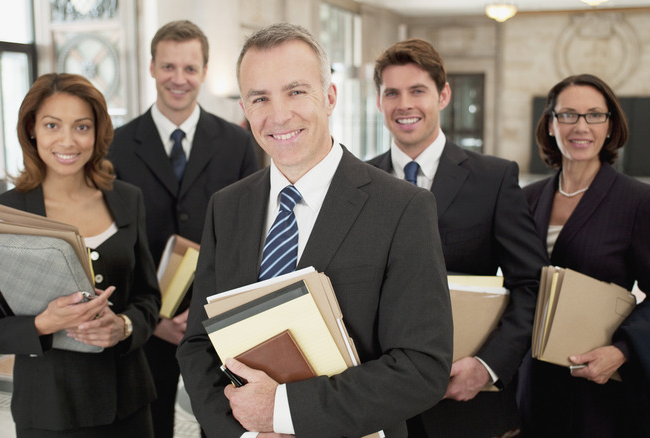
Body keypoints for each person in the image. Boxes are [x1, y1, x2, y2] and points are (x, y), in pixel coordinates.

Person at [177, 23, 453, 438]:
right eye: (259, 98)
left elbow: (422, 367)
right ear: (245, 109)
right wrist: (247, 432)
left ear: (329, 97)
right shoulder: (227, 207)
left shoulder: (403, 207)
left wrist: (283, 412)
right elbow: (199, 343)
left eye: (296, 91)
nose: (279, 114)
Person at [0, 73, 161, 437]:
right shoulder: (0, 214)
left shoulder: (128, 199)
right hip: (50, 412)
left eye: (82, 126)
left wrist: (125, 326)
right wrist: (42, 324)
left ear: (98, 132)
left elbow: (148, 298)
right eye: (53, 125)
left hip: (129, 405)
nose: (68, 141)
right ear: (32, 129)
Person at [367, 38, 549, 437]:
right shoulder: (359, 183)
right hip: (379, 404)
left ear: (443, 95)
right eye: (391, 93)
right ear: (379, 102)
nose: (404, 104)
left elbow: (531, 285)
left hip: (466, 401)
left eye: (418, 91)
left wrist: (487, 366)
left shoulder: (494, 179)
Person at [521, 73, 650, 437]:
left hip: (598, 381)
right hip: (534, 378)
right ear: (550, 124)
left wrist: (622, 351)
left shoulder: (639, 201)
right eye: (568, 115)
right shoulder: (526, 198)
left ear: (610, 126)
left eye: (594, 115)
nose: (581, 126)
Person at [107, 20, 259, 438]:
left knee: (224, 428)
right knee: (148, 429)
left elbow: (251, 237)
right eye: (169, 67)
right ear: (152, 68)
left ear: (205, 72)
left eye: (190, 68)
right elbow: (108, 245)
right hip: (143, 324)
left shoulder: (238, 144)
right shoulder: (115, 146)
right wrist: (149, 317)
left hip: (218, 324)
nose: (179, 79)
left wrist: (214, 314)